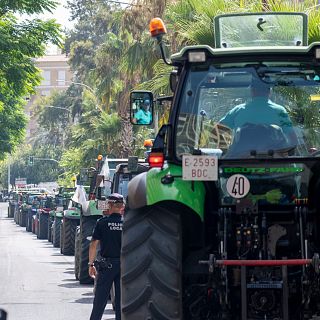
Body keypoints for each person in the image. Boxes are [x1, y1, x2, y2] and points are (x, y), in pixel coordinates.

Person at [218, 81, 298, 150]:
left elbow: (217, 131)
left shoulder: (238, 110)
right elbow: (293, 140)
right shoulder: (280, 111)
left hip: (241, 161)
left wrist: (225, 150)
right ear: (269, 92)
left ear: (252, 91)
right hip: (274, 161)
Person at [88, 193, 124, 320]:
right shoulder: (128, 223)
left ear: (110, 205)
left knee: (100, 301)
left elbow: (93, 245)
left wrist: (91, 264)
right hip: (124, 267)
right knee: (121, 303)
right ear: (122, 206)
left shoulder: (102, 223)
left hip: (106, 266)